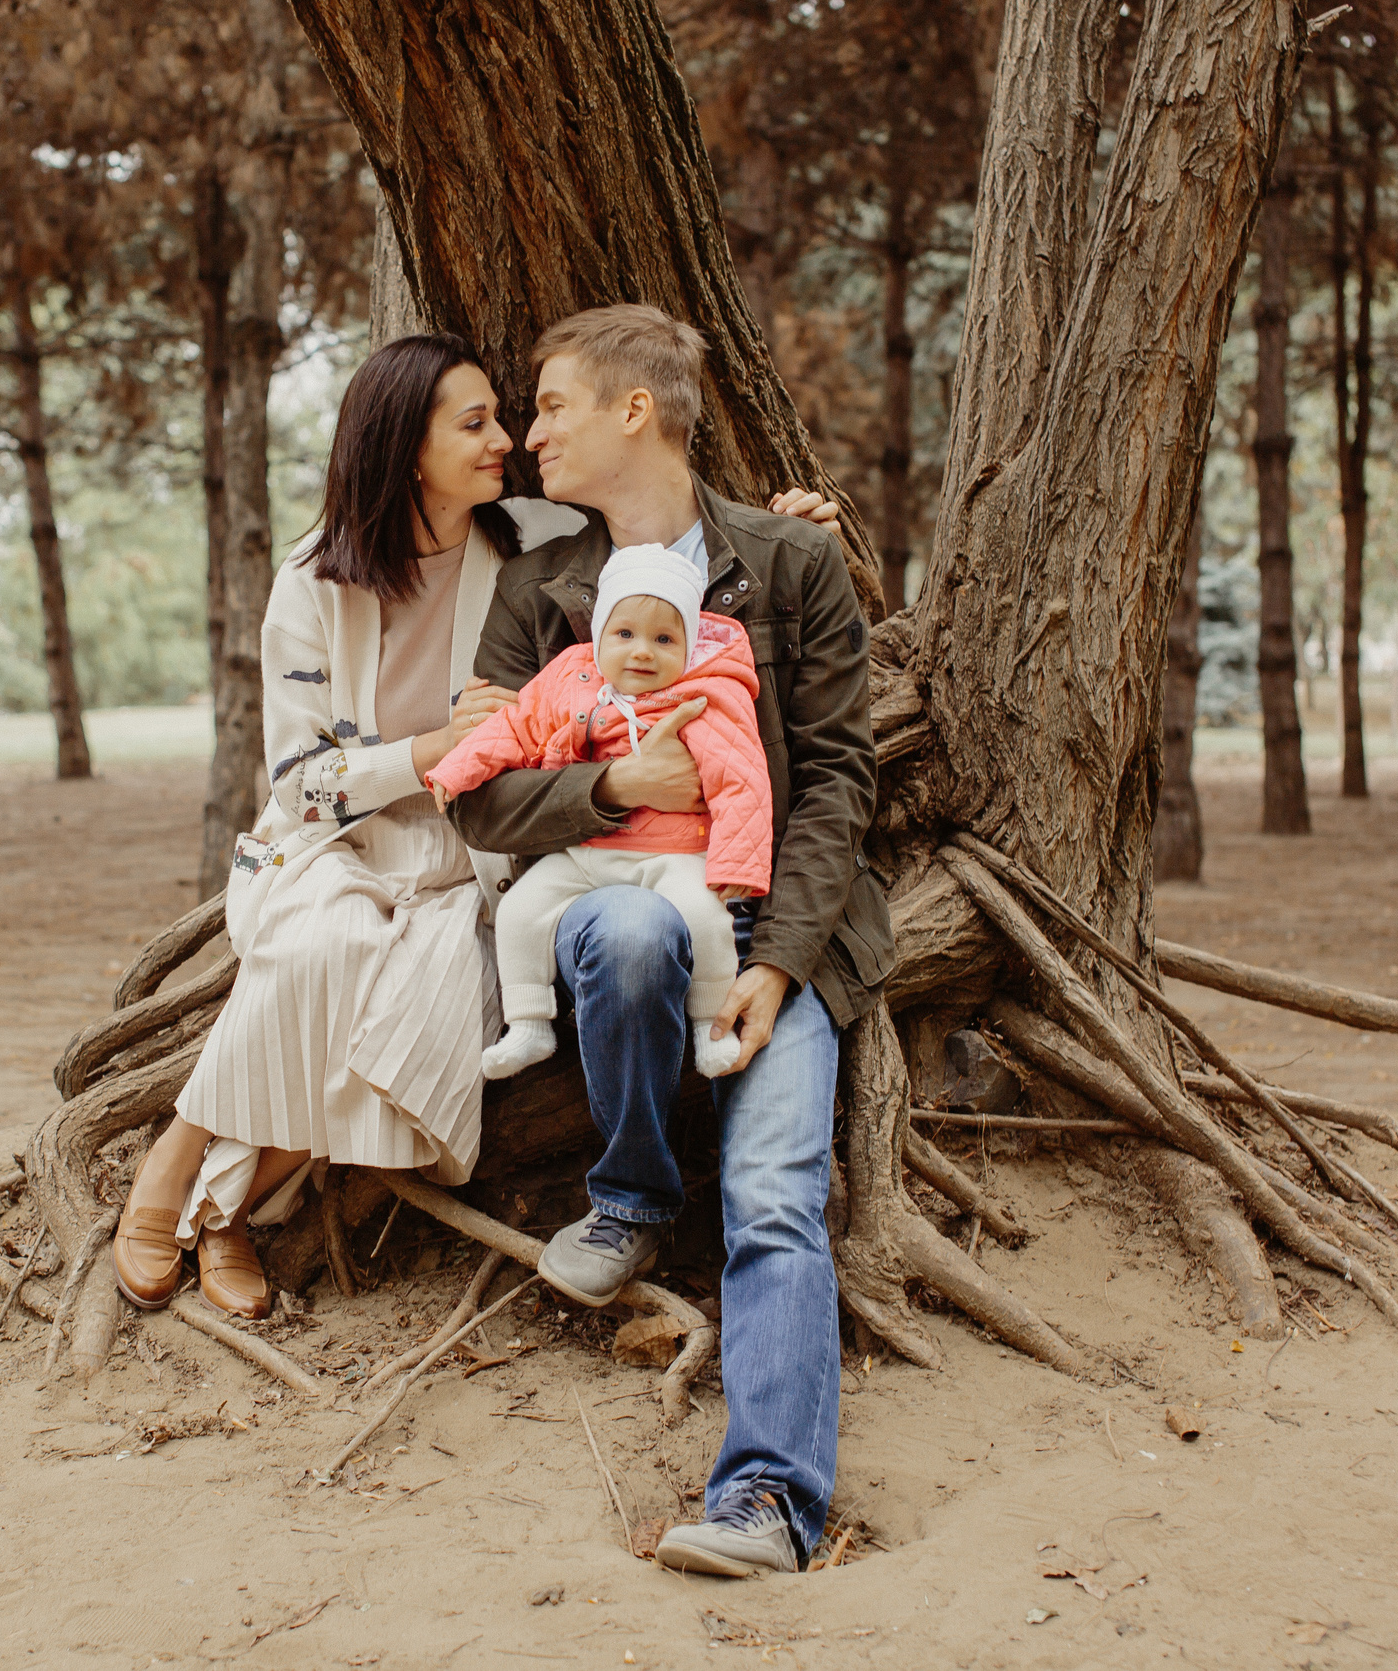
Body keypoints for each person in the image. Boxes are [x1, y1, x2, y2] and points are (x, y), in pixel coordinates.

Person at [108, 330, 844, 1323]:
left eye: (510, 416)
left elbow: (669, 550)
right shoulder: (313, 581)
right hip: (339, 842)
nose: (508, 440)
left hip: (470, 859)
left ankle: (221, 1202)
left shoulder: (529, 543)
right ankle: (183, 1177)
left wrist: (785, 534)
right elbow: (298, 784)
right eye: (477, 423)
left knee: (417, 1028)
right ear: (406, 448)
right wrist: (424, 751)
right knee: (320, 948)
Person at [448, 304, 896, 1579]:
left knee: (774, 1194)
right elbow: (482, 798)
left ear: (634, 411)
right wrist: (612, 789)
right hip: (614, 899)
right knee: (635, 929)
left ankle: (768, 1503)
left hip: (779, 929)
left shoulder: (790, 561)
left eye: (551, 406)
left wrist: (778, 964)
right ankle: (632, 1194)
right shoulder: (539, 590)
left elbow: (838, 780)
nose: (530, 435)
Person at [425, 541, 771, 1088]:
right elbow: (513, 728)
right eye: (625, 634)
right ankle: (528, 1023)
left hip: (673, 853)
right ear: (599, 634)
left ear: (688, 645)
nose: (642, 653)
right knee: (520, 912)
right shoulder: (572, 678)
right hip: (587, 850)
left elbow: (741, 780)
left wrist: (737, 866)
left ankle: (712, 1026)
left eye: (664, 639)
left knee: (708, 921)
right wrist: (455, 769)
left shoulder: (703, 695)